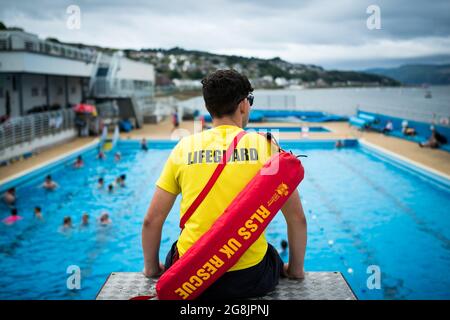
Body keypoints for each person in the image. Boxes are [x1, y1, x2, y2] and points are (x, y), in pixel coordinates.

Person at [141, 70, 307, 300]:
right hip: (250, 278)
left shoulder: (183, 147)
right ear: (242, 105)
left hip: (192, 277)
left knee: (181, 248)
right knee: (270, 254)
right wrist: (295, 271)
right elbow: (297, 218)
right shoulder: (267, 146)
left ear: (210, 107)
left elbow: (152, 220)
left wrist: (152, 269)